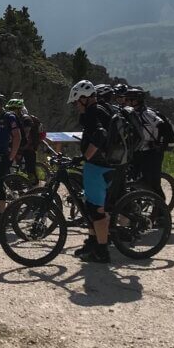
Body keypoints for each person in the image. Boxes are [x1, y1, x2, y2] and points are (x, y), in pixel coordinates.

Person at [68, 81, 113, 264]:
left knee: (96, 210)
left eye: (77, 102)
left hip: (98, 166)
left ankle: (102, 251)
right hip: (101, 165)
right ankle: (93, 243)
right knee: (90, 207)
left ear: (85, 99)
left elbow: (100, 135)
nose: (76, 106)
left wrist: (85, 157)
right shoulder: (101, 110)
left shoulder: (94, 112)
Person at [125, 87, 165, 198]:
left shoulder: (148, 114)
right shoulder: (131, 114)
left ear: (138, 101)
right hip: (138, 151)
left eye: (131, 100)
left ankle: (161, 210)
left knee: (152, 182)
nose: (128, 102)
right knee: (133, 179)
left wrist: (156, 142)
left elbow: (160, 126)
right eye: (127, 100)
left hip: (152, 152)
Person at [8, 97, 40, 184]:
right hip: (19, 146)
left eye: (12, 109)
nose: (10, 110)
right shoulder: (14, 119)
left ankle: (35, 189)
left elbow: (25, 135)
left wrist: (18, 147)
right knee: (16, 169)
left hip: (28, 148)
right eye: (9, 109)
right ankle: (19, 187)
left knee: (30, 170)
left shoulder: (26, 119)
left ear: (19, 109)